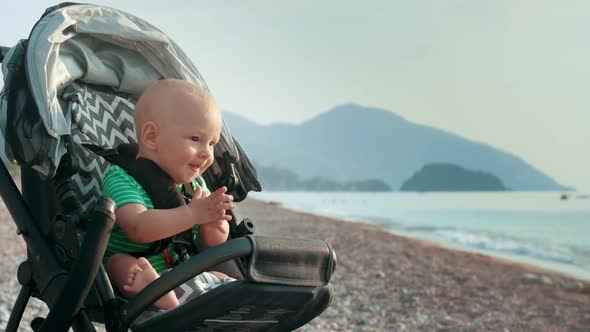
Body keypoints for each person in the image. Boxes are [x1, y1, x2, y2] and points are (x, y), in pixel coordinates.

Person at [102, 79, 235, 310]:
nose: (206, 153)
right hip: (134, 270)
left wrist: (213, 225)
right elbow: (138, 227)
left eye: (212, 143)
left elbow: (209, 244)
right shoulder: (122, 178)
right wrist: (193, 214)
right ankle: (151, 292)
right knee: (117, 264)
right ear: (152, 136)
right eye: (195, 139)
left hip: (178, 273)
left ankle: (216, 301)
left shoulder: (195, 185)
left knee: (222, 276)